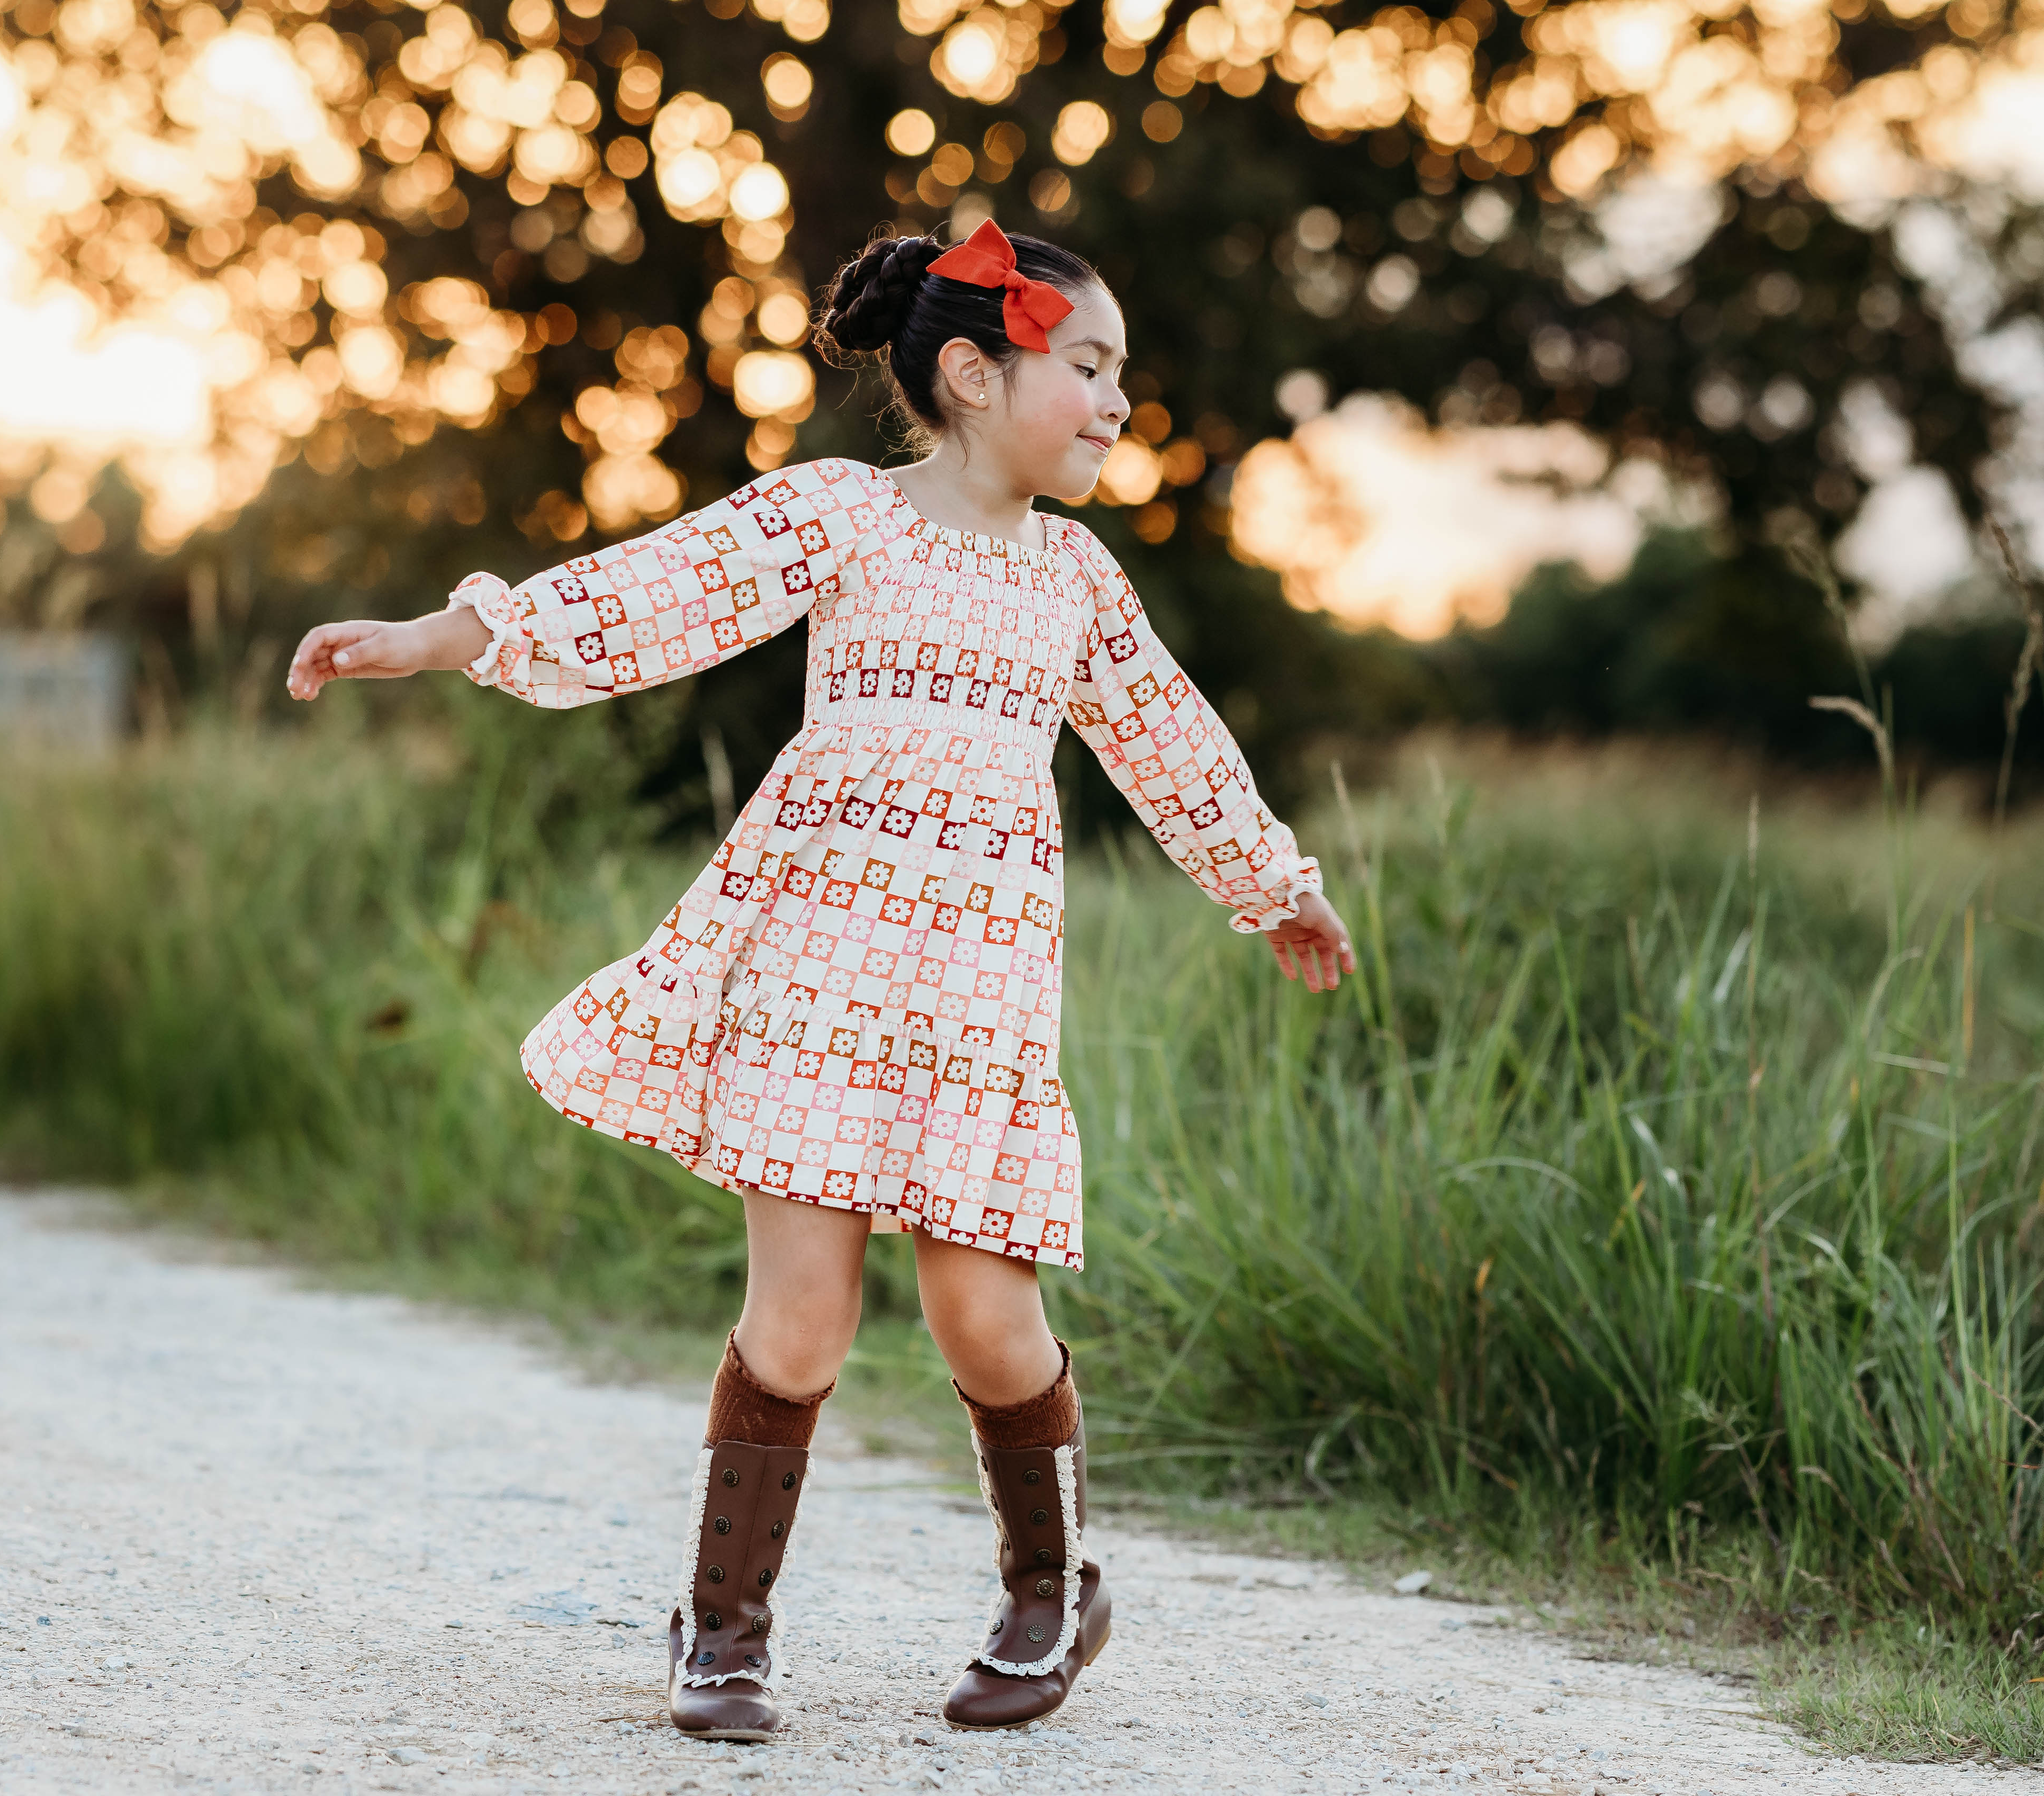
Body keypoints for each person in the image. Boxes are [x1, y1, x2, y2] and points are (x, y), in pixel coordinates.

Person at [284, 218, 1356, 1741]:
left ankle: (1053, 1592)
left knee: (988, 1320)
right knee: (800, 1320)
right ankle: (723, 1629)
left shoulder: (1077, 581)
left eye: (1127, 373)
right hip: (812, 973)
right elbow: (655, 592)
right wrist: (438, 638)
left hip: (974, 998)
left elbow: (1177, 750)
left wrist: (1278, 887)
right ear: (977, 373)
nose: (1121, 404)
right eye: (1093, 367)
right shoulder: (843, 515)